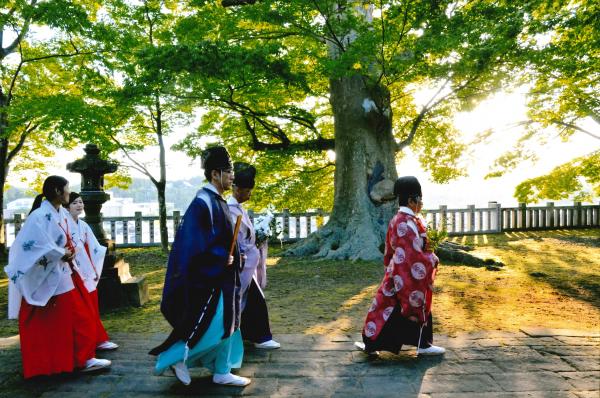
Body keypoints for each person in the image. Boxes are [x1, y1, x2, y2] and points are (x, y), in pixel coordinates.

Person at [149, 146, 250, 387]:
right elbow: (192, 246)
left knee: (229, 322)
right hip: (212, 279)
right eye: (229, 171)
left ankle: (221, 369)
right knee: (214, 325)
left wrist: (235, 256)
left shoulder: (216, 200)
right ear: (215, 174)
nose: (232, 176)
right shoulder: (202, 203)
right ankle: (175, 358)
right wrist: (218, 260)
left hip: (225, 276)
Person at [4, 176, 111, 379]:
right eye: (67, 190)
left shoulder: (59, 213)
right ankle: (73, 359)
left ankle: (77, 358)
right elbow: (33, 245)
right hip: (50, 271)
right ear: (57, 191)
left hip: (62, 270)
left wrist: (67, 251)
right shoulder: (39, 216)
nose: (70, 194)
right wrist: (59, 253)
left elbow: (70, 236)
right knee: (71, 317)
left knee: (75, 316)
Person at [355, 176, 445, 356]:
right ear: (412, 200)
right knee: (402, 308)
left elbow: (390, 250)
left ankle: (375, 344)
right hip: (407, 274)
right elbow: (413, 254)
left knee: (387, 310)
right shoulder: (405, 222)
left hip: (398, 273)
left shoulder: (402, 219)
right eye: (420, 199)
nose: (421, 204)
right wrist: (431, 258)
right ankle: (421, 345)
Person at [227, 162, 280, 349]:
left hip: (247, 263)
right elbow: (233, 240)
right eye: (247, 191)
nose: (249, 195)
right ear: (237, 189)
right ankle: (260, 337)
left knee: (252, 301)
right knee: (251, 301)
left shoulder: (238, 209)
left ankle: (257, 335)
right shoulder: (230, 210)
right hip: (241, 265)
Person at [65, 192, 118, 352]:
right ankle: (83, 345)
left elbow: (95, 248)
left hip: (85, 270)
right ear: (66, 206)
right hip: (71, 271)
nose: (79, 205)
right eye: (75, 203)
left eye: (81, 202)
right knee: (80, 310)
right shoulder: (63, 224)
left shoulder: (83, 225)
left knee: (92, 305)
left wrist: (95, 267)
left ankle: (98, 339)